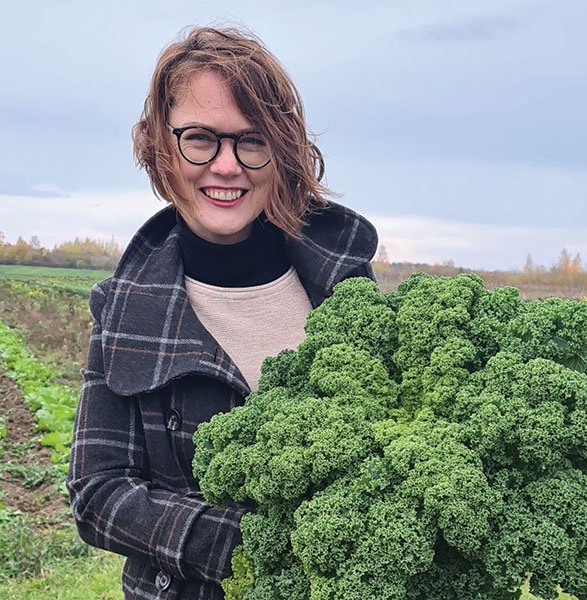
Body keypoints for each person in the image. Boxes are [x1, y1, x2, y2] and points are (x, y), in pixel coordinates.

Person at [66, 26, 377, 600]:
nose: (227, 166)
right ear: (161, 145)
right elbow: (96, 492)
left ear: (281, 151)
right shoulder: (126, 310)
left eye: (251, 140)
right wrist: (251, 546)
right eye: (201, 139)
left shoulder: (343, 285)